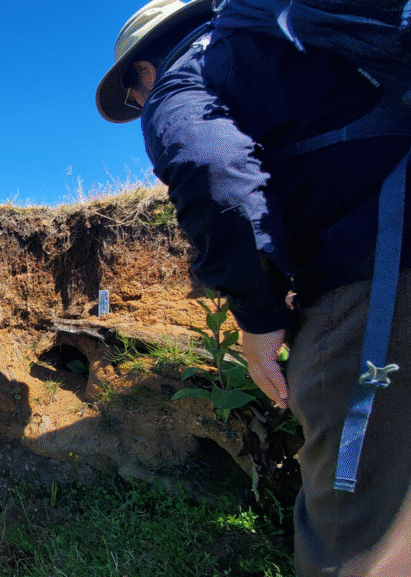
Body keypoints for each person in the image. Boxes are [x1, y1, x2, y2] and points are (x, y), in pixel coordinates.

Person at [96, 1, 411, 575]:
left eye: (135, 97)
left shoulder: (182, 79)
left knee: (355, 532)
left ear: (144, 69)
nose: (141, 106)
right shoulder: (291, 43)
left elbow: (212, 172)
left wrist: (259, 317)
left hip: (377, 272)